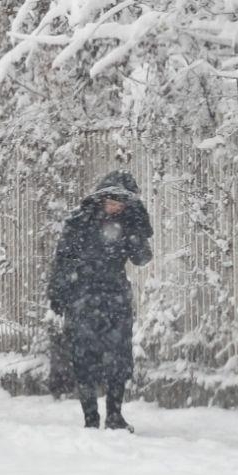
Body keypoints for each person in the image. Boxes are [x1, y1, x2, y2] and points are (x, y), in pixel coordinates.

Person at [47, 170, 153, 431]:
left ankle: (115, 415)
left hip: (115, 297)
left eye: (122, 201)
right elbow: (62, 259)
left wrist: (137, 228)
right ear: (101, 197)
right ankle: (90, 418)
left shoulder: (129, 223)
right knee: (84, 359)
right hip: (81, 297)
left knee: (119, 358)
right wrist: (58, 293)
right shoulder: (79, 222)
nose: (116, 205)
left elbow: (142, 258)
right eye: (112, 199)